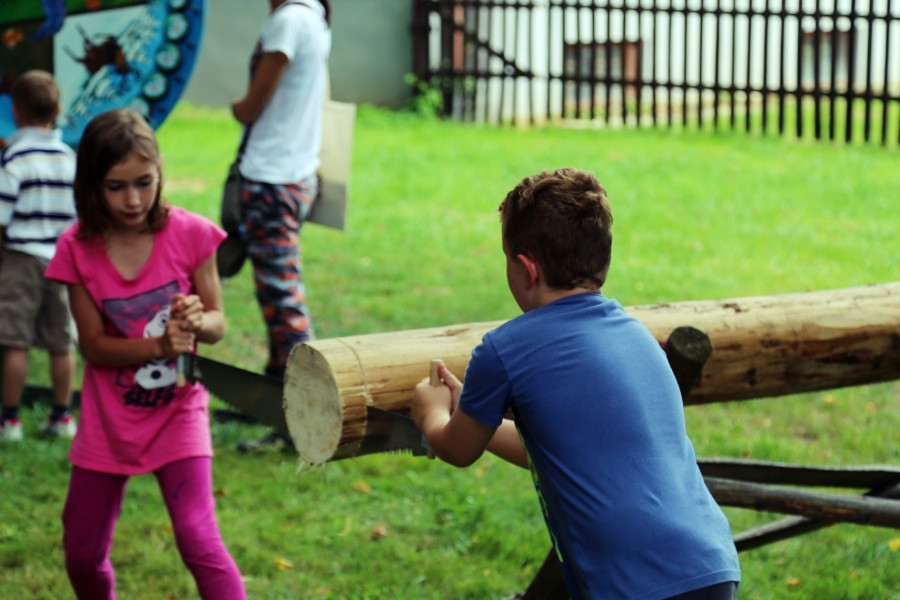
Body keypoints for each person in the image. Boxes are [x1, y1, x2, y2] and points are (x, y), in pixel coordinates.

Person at [411, 168, 741, 600]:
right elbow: (562, 453)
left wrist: (432, 411)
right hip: (709, 566)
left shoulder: (504, 349)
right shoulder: (636, 335)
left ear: (526, 270)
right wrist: (473, 411)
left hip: (630, 583)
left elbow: (456, 448)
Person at [45, 109, 246, 599]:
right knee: (82, 553)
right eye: (116, 186)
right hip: (108, 421)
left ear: (160, 174)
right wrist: (158, 345)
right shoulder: (76, 248)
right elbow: (92, 346)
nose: (133, 200)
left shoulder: (191, 234)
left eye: (145, 182)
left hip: (179, 412)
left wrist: (201, 321)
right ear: (92, 183)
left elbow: (218, 323)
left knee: (199, 538)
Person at [226, 0, 331, 451]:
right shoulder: (315, 16)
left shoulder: (288, 20)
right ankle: (274, 404)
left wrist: (241, 105)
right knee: (274, 296)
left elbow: (252, 106)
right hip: (292, 174)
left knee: (283, 303)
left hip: (271, 178)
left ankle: (302, 420)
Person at [0, 70, 77, 441]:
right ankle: (62, 416)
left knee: (15, 340)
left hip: (20, 258)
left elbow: (1, 216)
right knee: (61, 341)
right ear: (58, 109)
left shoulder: (14, 158)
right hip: (62, 260)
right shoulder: (69, 159)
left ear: (15, 111)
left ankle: (10, 420)